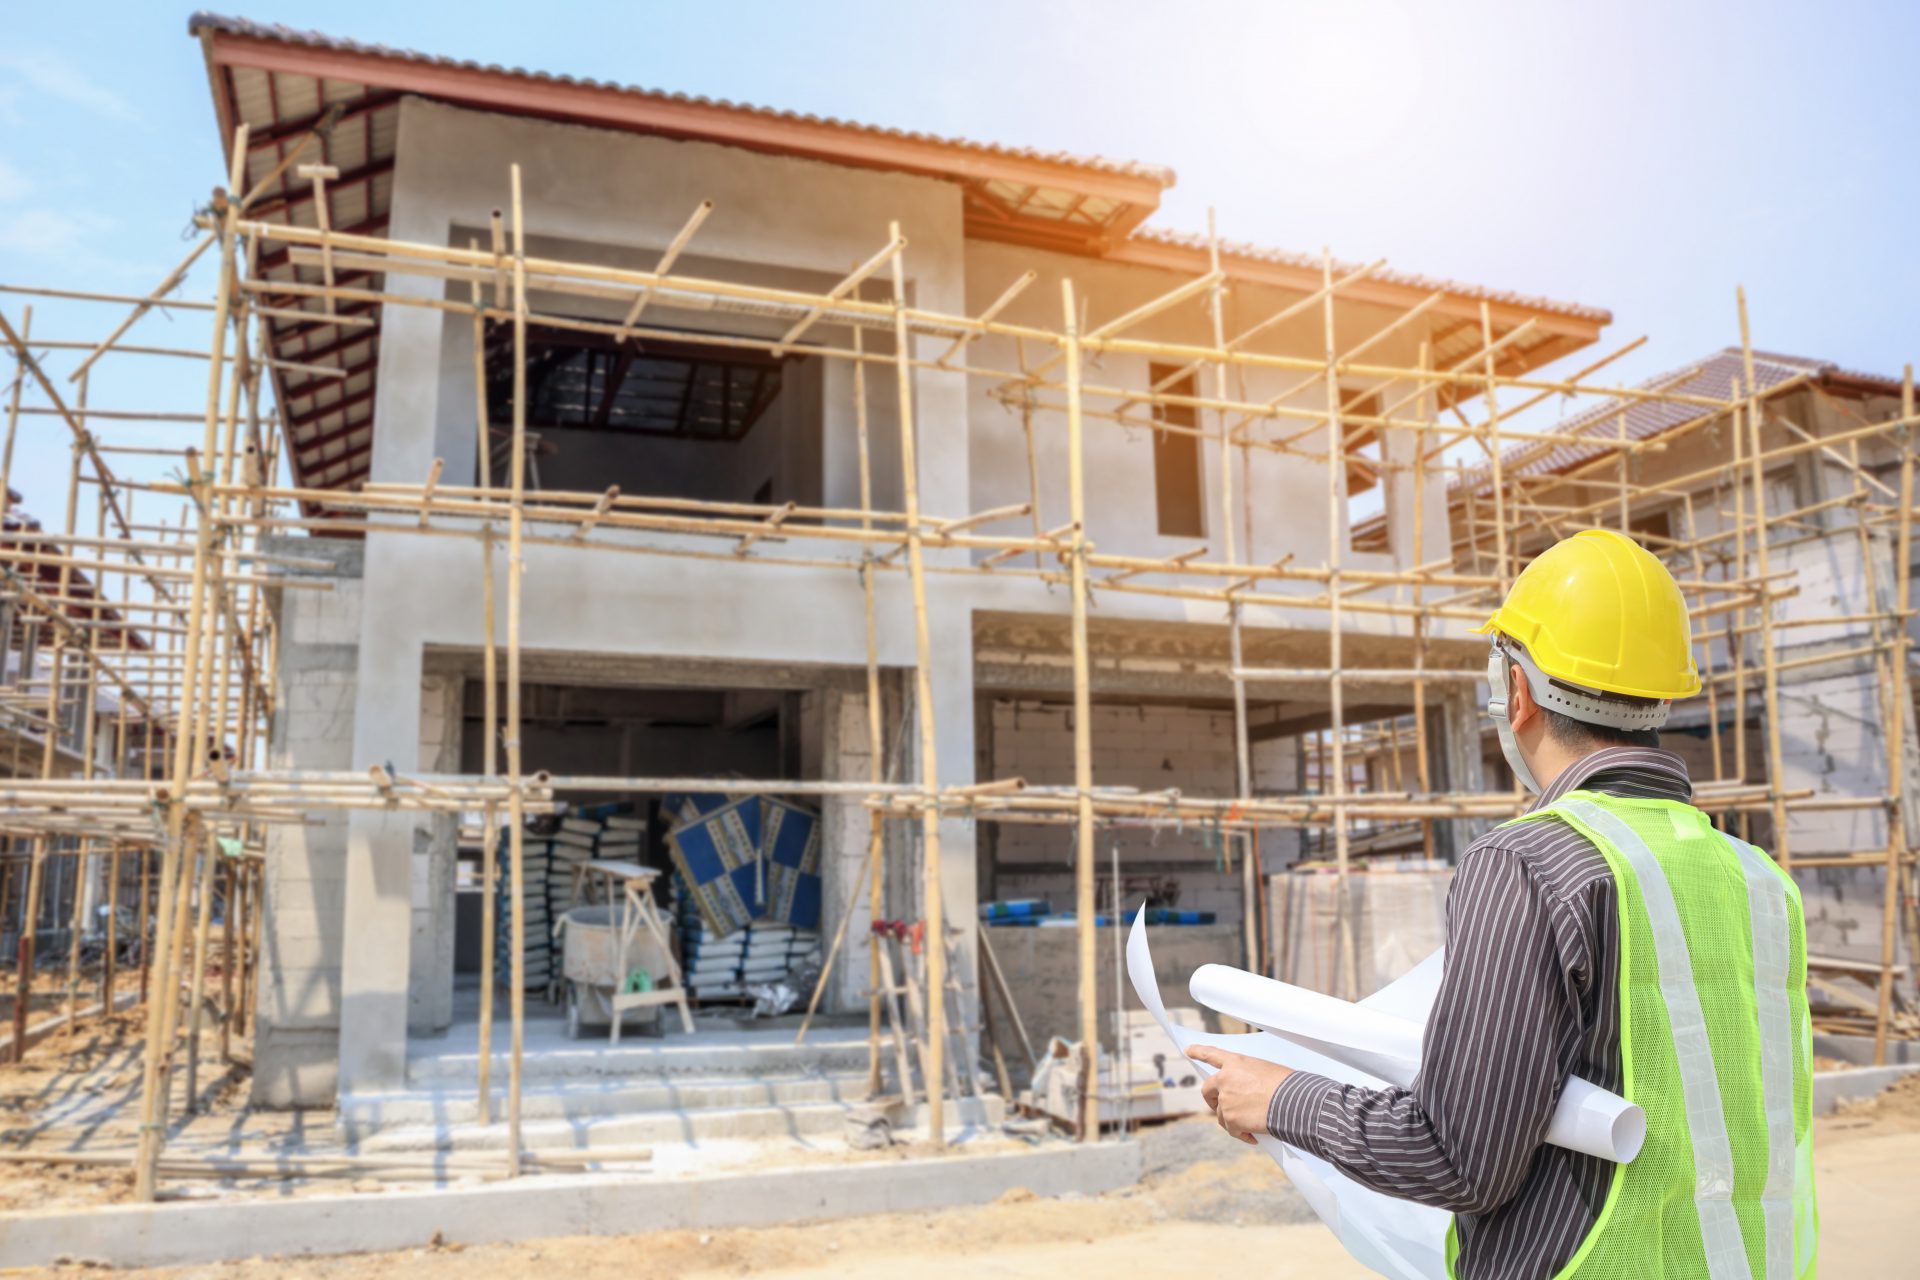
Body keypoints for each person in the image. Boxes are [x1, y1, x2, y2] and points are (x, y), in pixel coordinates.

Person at [1190, 528, 1817, 1279]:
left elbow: (1457, 1156)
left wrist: (1281, 1096)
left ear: (1516, 691)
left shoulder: (1529, 862)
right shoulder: (1758, 879)